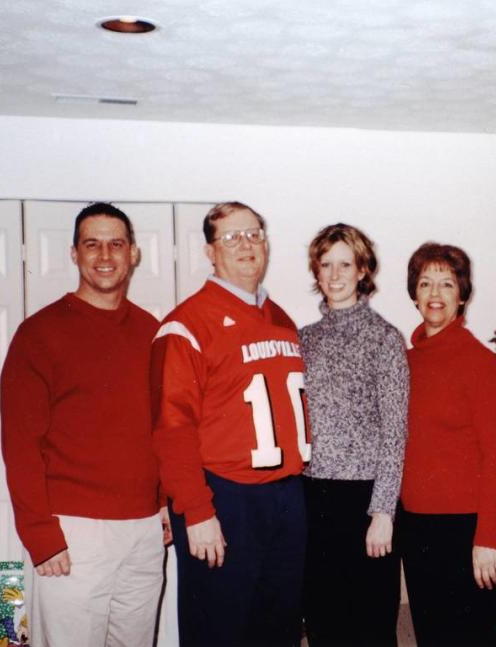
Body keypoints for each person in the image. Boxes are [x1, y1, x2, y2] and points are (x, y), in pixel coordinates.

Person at [0, 202, 167, 647]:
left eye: (116, 243)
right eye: (92, 244)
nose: (105, 255)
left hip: (144, 530)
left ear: (133, 253)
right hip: (72, 534)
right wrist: (40, 535)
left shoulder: (153, 332)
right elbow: (19, 444)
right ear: (74, 253)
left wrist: (164, 502)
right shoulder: (39, 334)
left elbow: (163, 427)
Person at [151, 201, 310, 646]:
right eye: (232, 237)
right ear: (210, 251)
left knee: (277, 627)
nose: (247, 245)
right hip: (225, 495)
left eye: (254, 234)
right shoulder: (186, 324)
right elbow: (172, 429)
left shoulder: (281, 319)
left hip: (286, 494)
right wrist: (197, 510)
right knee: (220, 629)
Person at [299, 223, 409, 646]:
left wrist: (383, 512)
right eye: (326, 264)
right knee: (324, 620)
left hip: (364, 501)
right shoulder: (303, 339)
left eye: (345, 263)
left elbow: (395, 430)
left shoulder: (384, 339)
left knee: (370, 625)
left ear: (363, 270)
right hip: (313, 496)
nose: (335, 274)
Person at [398, 242, 496, 646]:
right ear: (414, 294)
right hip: (415, 526)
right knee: (431, 635)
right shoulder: (406, 362)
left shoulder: (481, 364)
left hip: (465, 528)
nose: (434, 293)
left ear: (461, 295)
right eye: (425, 283)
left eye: (446, 284)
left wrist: (486, 539)